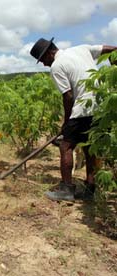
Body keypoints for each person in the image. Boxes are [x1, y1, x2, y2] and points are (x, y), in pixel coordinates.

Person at [30, 37, 117, 201]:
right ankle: (90, 189)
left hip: (83, 108)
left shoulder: (57, 66)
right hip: (101, 107)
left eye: (42, 59)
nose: (43, 64)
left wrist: (66, 123)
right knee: (89, 147)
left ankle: (66, 190)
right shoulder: (82, 49)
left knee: (66, 147)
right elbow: (112, 49)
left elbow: (68, 97)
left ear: (49, 53)